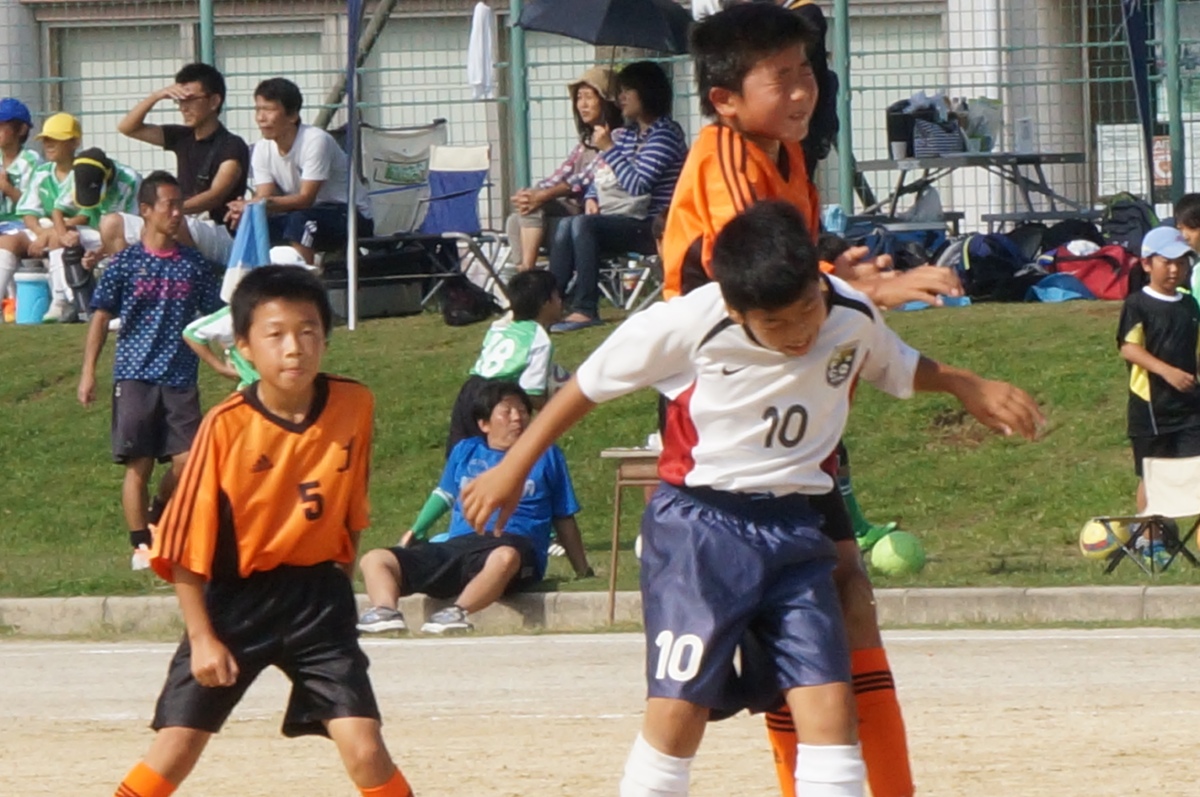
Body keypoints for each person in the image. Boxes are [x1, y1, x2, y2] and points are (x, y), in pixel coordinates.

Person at [459, 201, 1042, 797]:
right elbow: (584, 388)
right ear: (736, 310)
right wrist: (513, 466)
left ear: (819, 282)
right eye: (776, 324)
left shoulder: (849, 312)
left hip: (795, 529)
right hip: (701, 531)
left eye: (808, 310)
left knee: (830, 711)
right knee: (679, 714)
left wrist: (965, 384)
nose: (800, 333)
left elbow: (895, 364)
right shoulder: (685, 324)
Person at [659, 6, 968, 797]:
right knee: (760, 637)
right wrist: (858, 288)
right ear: (726, 99)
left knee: (846, 593)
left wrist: (838, 268)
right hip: (728, 416)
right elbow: (750, 272)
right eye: (784, 77)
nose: (804, 90)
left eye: (807, 72)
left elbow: (794, 254)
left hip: (794, 401)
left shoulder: (785, 152)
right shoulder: (723, 157)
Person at [112, 265, 415, 797]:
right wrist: (203, 638)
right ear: (245, 347)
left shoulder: (355, 403)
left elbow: (350, 511)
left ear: (325, 338)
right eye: (275, 335)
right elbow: (181, 545)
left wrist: (339, 585)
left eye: (308, 331)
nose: (294, 348)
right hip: (235, 602)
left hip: (316, 599)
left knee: (366, 749)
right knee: (176, 748)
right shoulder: (225, 426)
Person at [358, 381, 591, 636]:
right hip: (461, 544)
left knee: (504, 557)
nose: (517, 418)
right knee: (375, 559)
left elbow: (563, 516)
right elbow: (445, 494)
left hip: (515, 544)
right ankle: (386, 611)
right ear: (484, 424)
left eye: (523, 411)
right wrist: (417, 529)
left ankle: (457, 612)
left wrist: (582, 569)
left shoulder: (546, 455)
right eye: (507, 412)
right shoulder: (465, 451)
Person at [77, 171, 222, 570]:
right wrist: (89, 372)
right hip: (135, 376)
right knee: (137, 464)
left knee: (188, 461)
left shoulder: (193, 264)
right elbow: (100, 317)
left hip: (180, 378)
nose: (177, 213)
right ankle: (140, 543)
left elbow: (217, 314)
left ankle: (159, 512)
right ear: (145, 210)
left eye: (180, 205)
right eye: (168, 206)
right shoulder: (125, 263)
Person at [548, 61, 688, 332]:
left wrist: (609, 148)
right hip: (624, 217)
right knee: (567, 224)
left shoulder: (665, 135)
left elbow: (637, 185)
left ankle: (586, 308)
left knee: (583, 225)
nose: (620, 98)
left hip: (652, 225)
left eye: (627, 91)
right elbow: (600, 173)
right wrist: (592, 196)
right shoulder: (629, 134)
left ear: (646, 93)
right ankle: (548, 303)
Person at [106, 62, 250, 265]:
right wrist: (158, 96)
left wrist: (168, 211)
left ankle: (194, 278)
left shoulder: (232, 144)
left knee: (175, 224)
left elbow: (215, 196)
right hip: (180, 218)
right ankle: (135, 279)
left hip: (220, 232)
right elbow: (128, 127)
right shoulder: (182, 136)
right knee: (112, 223)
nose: (183, 108)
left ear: (214, 101)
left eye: (190, 100)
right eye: (179, 101)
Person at [225, 77, 373, 266]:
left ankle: (303, 280)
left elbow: (305, 199)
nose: (261, 118)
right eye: (258, 109)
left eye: (269, 110)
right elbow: (264, 196)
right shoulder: (262, 148)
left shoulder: (316, 141)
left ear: (293, 115)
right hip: (305, 213)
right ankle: (259, 279)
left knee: (301, 221)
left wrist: (254, 204)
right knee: (247, 224)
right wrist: (247, 211)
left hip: (350, 215)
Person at [1118, 227, 1200, 550]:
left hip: (1190, 406)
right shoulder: (1137, 304)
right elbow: (1129, 348)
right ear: (1147, 264)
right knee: (1152, 475)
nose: (1175, 269)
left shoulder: (1189, 305)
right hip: (1151, 408)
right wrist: (1167, 372)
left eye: (1181, 262)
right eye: (1167, 262)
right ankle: (1150, 539)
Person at [505, 66, 622, 272]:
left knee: (533, 210)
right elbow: (561, 174)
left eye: (589, 97)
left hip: (595, 216)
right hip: (571, 213)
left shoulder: (617, 137)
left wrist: (542, 196)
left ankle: (529, 275)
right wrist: (532, 194)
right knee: (515, 219)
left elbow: (585, 179)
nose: (582, 105)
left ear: (607, 102)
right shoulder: (586, 143)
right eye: (579, 98)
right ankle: (524, 274)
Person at [445, 268, 562, 457]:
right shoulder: (539, 339)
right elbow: (531, 390)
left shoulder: (501, 326)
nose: (560, 302)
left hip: (470, 389)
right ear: (545, 303)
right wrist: (555, 407)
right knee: (498, 457)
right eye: (557, 296)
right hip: (496, 396)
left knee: (460, 454)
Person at [0, 98, 39, 301]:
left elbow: (34, 206)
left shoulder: (31, 161)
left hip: (23, 225)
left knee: (6, 242)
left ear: (22, 129)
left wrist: (7, 188)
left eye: (2, 126)